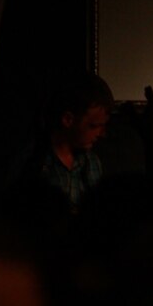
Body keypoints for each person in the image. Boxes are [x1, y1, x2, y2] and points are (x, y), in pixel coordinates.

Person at [39, 71, 114, 212]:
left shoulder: (90, 161)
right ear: (68, 120)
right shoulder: (38, 163)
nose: (102, 134)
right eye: (93, 126)